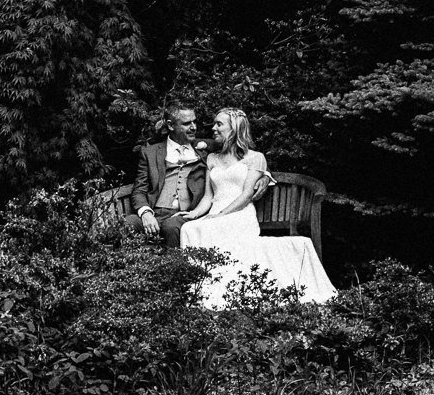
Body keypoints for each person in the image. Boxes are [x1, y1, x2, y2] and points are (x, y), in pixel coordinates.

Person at [177, 108, 336, 306]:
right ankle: (198, 289)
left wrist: (221, 215)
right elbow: (209, 197)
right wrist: (194, 214)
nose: (213, 128)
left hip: (239, 215)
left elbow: (246, 195)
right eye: (214, 124)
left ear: (234, 129)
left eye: (219, 124)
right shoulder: (212, 158)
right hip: (216, 214)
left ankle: (217, 292)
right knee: (189, 228)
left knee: (208, 227)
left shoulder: (255, 157)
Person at [129, 104, 209, 248]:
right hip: (155, 211)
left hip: (185, 215)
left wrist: (264, 175)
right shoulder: (150, 152)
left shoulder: (206, 149)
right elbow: (139, 190)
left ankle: (175, 268)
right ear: (171, 126)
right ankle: (125, 268)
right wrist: (146, 213)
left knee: (171, 227)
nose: (193, 127)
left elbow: (240, 151)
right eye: (186, 123)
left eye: (194, 121)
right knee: (129, 223)